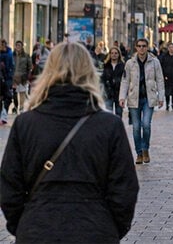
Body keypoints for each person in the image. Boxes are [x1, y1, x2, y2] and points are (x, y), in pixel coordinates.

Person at [0, 42, 138, 243]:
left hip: (38, 228)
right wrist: (109, 226)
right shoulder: (109, 126)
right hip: (94, 229)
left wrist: (24, 224)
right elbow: (125, 188)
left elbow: (9, 186)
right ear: (89, 72)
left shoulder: (26, 124)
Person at [119, 37, 165, 164]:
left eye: (144, 46)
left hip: (148, 98)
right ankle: (139, 153)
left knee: (146, 125)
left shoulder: (154, 62)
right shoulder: (130, 63)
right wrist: (122, 97)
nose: (141, 48)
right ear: (136, 47)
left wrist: (161, 97)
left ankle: (145, 149)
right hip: (134, 99)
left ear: (147, 47)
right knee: (136, 127)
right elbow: (125, 81)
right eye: (139, 46)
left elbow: (160, 80)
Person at [100, 47, 125, 115]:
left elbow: (125, 79)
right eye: (112, 53)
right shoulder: (106, 65)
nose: (114, 55)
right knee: (108, 114)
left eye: (116, 53)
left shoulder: (123, 66)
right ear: (110, 54)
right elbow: (102, 78)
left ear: (119, 54)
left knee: (119, 114)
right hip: (108, 94)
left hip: (119, 94)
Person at [11, 41, 31, 115]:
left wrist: (28, 76)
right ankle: (15, 107)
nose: (17, 47)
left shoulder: (26, 55)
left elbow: (30, 67)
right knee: (14, 94)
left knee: (22, 93)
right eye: (16, 45)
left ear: (22, 46)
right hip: (13, 78)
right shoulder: (12, 55)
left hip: (23, 77)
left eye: (19, 45)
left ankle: (21, 107)